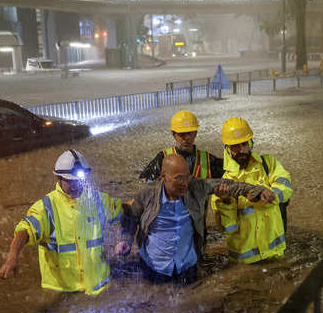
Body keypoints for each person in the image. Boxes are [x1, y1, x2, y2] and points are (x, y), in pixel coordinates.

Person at [118, 154, 265, 285]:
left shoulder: (196, 187)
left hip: (187, 268)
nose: (184, 183)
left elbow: (231, 185)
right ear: (163, 176)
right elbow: (130, 218)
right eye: (178, 178)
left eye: (186, 176)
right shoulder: (147, 194)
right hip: (154, 268)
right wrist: (125, 240)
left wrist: (257, 191)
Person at [0, 149, 126, 295]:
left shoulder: (98, 200)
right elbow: (24, 231)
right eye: (70, 181)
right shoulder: (46, 208)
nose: (76, 185)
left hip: (100, 286)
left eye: (79, 180)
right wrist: (12, 256)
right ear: (57, 179)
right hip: (63, 292)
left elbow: (124, 211)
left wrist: (123, 239)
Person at [211, 117, 293, 264]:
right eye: (235, 146)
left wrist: (273, 195)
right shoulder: (224, 184)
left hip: (276, 254)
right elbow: (228, 229)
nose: (242, 150)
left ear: (251, 142)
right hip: (245, 264)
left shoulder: (268, 163)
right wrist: (225, 201)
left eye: (244, 144)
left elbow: (286, 186)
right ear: (227, 149)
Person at [140, 110, 224, 182]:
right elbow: (145, 180)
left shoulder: (208, 159)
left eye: (189, 133)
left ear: (195, 134)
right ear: (174, 135)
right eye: (181, 134)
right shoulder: (163, 157)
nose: (186, 138)